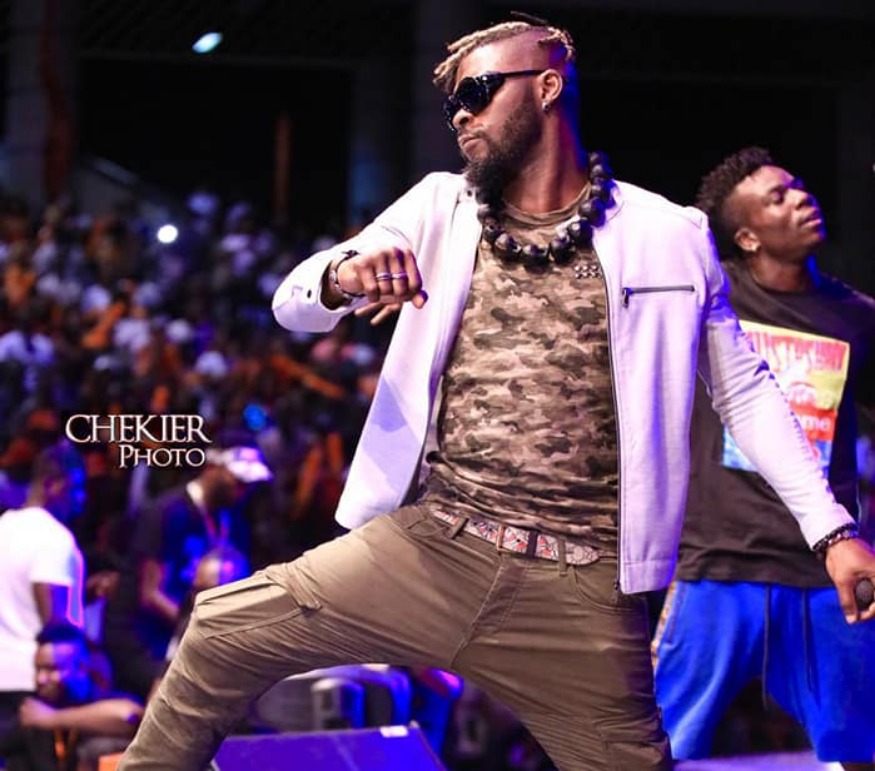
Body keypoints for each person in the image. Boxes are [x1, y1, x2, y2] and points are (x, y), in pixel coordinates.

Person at [119, 17, 875, 771]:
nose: (460, 116)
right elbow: (293, 303)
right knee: (221, 630)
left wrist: (832, 532)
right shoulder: (438, 207)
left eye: (477, 92)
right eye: (452, 102)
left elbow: (744, 392)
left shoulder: (667, 234)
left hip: (581, 589)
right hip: (428, 549)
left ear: (546, 86)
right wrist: (343, 274)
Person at [653, 147, 875, 768]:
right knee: (654, 746)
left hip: (824, 572)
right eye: (778, 197)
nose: (801, 198)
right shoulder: (707, 296)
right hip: (716, 565)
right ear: (747, 236)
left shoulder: (857, 318)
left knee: (861, 747)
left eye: (798, 186)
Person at [101, 445, 271, 702]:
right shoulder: (167, 512)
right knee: (196, 691)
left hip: (186, 635)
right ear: (212, 467)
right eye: (238, 482)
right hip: (142, 640)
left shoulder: (232, 522)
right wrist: (205, 630)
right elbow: (151, 595)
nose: (243, 491)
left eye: (249, 485)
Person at [1, 442, 86, 768]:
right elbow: (55, 619)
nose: (81, 499)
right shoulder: (53, 538)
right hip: (36, 683)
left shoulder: (3, 527)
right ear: (52, 484)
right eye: (76, 488)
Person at [10, 620, 143, 771]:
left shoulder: (103, 698)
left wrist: (52, 718)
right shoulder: (32, 710)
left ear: (82, 667)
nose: (40, 679)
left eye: (51, 669)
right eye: (38, 669)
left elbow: (129, 717)